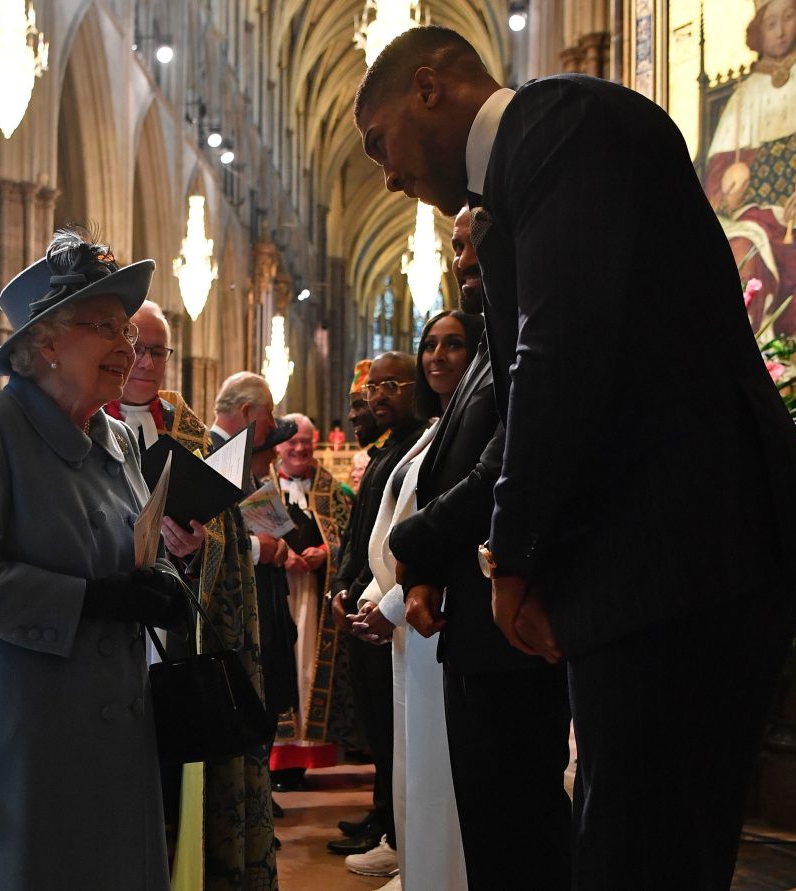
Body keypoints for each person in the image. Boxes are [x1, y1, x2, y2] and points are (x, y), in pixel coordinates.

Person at [355, 25, 796, 891]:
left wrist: (512, 556)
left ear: (430, 87)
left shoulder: (562, 125)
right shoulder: (521, 180)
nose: (386, 174)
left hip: (688, 553)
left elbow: (559, 357)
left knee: (640, 852)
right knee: (639, 846)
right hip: (657, 563)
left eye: (378, 141)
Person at [0, 227, 188, 890]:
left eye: (129, 329)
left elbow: (125, 548)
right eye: (107, 327)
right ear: (46, 342)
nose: (128, 346)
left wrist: (159, 581)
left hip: (121, 729)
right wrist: (91, 601)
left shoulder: (120, 439)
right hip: (36, 733)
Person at [389, 209, 572, 890]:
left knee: (524, 823)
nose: (464, 257)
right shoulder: (494, 335)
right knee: (491, 824)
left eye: (475, 242)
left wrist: (411, 541)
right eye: (458, 245)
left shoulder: (529, 332)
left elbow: (498, 468)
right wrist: (425, 572)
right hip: (472, 625)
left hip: (512, 625)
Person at [104, 301, 279, 890]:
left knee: (170, 780)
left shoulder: (197, 438)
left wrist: (196, 548)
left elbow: (228, 545)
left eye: (159, 350)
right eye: (137, 345)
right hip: (99, 636)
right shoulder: (76, 421)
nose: (146, 361)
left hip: (173, 646)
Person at [349, 308, 484, 890]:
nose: (437, 355)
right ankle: (421, 869)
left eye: (453, 345)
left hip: (437, 616)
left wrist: (396, 599)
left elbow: (443, 525)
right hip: (406, 620)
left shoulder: (475, 420)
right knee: (414, 767)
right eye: (429, 343)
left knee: (440, 770)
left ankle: (441, 877)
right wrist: (376, 596)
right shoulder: (437, 429)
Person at [327, 352, 428, 874]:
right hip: (366, 602)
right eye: (373, 387)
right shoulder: (386, 451)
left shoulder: (417, 445)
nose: (376, 395)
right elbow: (359, 534)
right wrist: (342, 587)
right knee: (377, 724)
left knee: (395, 727)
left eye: (391, 384)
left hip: (391, 608)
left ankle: (393, 824)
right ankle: (382, 815)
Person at [705, 0, 796, 334]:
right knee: (739, 252)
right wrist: (728, 197)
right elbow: (718, 170)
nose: (780, 30)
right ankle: (749, 357)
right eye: (771, 22)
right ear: (758, 32)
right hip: (754, 217)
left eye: (788, 17)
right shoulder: (744, 93)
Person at [267, 413, 351, 786]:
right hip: (275, 590)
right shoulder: (262, 485)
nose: (299, 449)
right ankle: (275, 758)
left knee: (307, 672)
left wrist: (323, 553)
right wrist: (281, 554)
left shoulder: (330, 488)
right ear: (279, 445)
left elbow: (348, 540)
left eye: (306, 442)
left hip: (314, 598)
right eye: (292, 442)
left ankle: (301, 759)